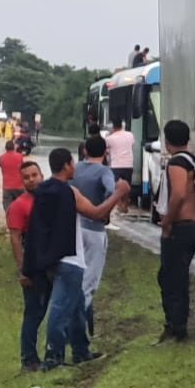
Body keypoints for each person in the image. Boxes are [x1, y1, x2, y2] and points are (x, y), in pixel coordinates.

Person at [22, 148, 130, 371]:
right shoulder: (69, 192)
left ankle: (81, 350)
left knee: (78, 305)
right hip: (70, 260)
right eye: (72, 163)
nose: (75, 167)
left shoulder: (43, 191)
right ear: (66, 165)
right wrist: (119, 193)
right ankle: (54, 357)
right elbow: (98, 214)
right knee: (61, 310)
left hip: (50, 259)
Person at [155, 120, 195, 343]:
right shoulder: (194, 162)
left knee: (170, 278)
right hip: (192, 226)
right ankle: (178, 324)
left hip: (180, 227)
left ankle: (176, 327)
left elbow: (178, 194)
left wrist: (167, 221)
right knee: (177, 277)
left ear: (167, 141)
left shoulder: (176, 163)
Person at [7, 161, 50, 371]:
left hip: (52, 264)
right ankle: (29, 358)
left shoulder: (50, 199)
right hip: (33, 267)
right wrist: (22, 270)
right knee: (33, 312)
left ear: (42, 175)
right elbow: (15, 239)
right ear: (21, 181)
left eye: (35, 175)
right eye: (26, 177)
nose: (31, 180)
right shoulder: (18, 206)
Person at [71, 136, 115, 337]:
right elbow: (111, 191)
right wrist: (105, 212)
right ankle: (72, 325)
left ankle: (85, 330)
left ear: (85, 151)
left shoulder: (76, 168)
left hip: (74, 228)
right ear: (106, 152)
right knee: (89, 283)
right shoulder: (105, 172)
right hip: (95, 230)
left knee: (77, 277)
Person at [105, 119, 135, 186]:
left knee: (116, 188)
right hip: (128, 165)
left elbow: (105, 151)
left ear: (113, 126)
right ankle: (127, 196)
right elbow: (132, 146)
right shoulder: (130, 135)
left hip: (115, 166)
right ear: (122, 125)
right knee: (127, 187)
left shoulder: (109, 138)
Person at [0, 140, 24, 212]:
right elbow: (23, 167)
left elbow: (1, 165)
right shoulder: (20, 156)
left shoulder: (1, 158)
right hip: (20, 187)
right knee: (21, 209)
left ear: (5, 148)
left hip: (7, 187)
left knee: (8, 210)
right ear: (14, 147)